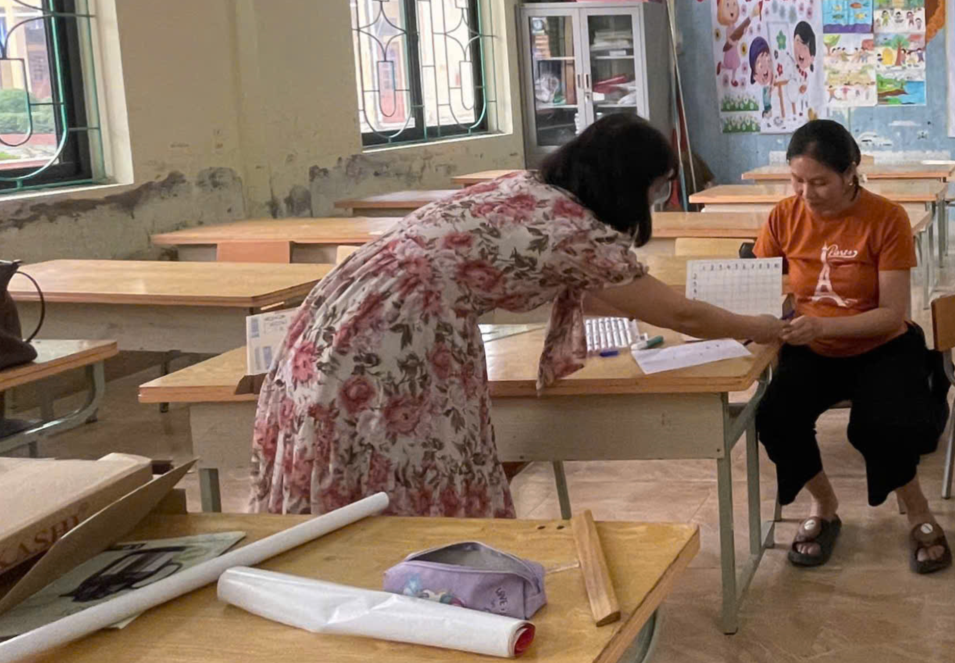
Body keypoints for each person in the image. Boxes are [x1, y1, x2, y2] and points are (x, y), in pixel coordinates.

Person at [251, 114, 782, 516]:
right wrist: (759, 326)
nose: (660, 199)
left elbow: (609, 294)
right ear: (629, 183)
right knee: (408, 462)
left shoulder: (531, 189)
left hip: (344, 312)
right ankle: (428, 583)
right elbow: (681, 315)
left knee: (357, 456)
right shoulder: (577, 233)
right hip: (394, 337)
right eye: (658, 187)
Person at [753, 119, 951, 574]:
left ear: (850, 173)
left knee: (884, 423)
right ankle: (824, 505)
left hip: (880, 344)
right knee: (776, 418)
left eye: (819, 182)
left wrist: (821, 325)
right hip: (814, 348)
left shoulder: (886, 218)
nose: (806, 193)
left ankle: (917, 509)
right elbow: (759, 282)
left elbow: (892, 314)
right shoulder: (784, 216)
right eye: (797, 180)